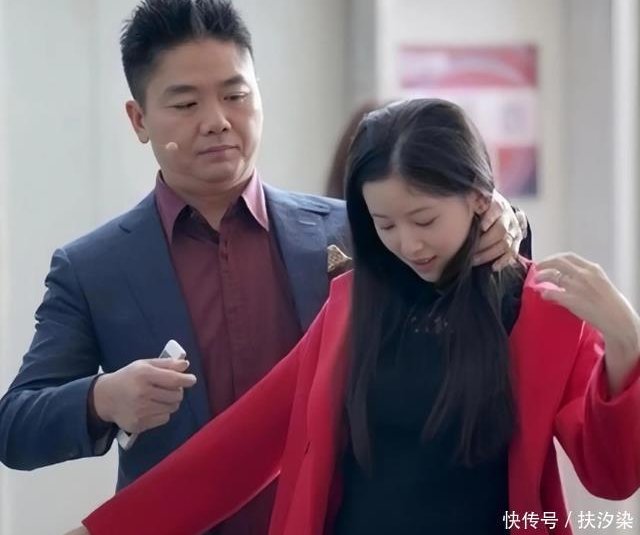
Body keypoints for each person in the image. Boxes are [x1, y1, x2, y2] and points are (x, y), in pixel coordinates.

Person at [0, 0, 528, 535]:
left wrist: (501, 221)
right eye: (186, 104)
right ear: (139, 120)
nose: (217, 121)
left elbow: (468, 292)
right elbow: (14, 426)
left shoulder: (360, 231)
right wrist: (101, 399)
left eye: (235, 95)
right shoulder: (94, 267)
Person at [69, 98, 640, 535]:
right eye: (385, 225)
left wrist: (626, 343)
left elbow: (612, 475)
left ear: (478, 197)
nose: (409, 245)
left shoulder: (542, 311)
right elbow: (239, 448)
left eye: (424, 219)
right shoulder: (351, 306)